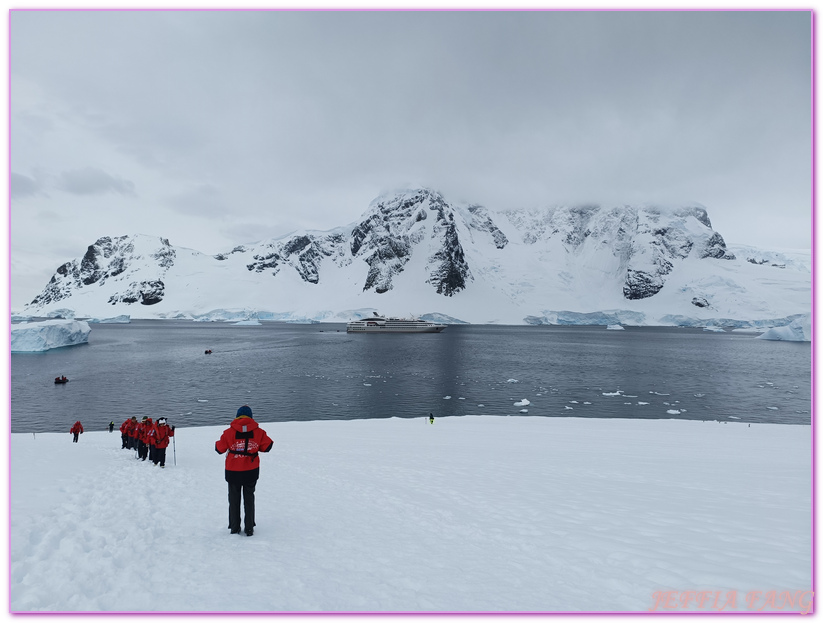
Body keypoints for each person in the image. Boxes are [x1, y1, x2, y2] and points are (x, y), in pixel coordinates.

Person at [215, 405, 273, 536]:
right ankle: (249, 528)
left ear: (237, 416)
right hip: (251, 471)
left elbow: (219, 449)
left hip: (233, 472)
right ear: (251, 417)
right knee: (249, 499)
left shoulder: (228, 432)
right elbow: (268, 447)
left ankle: (234, 528)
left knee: (234, 500)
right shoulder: (259, 432)